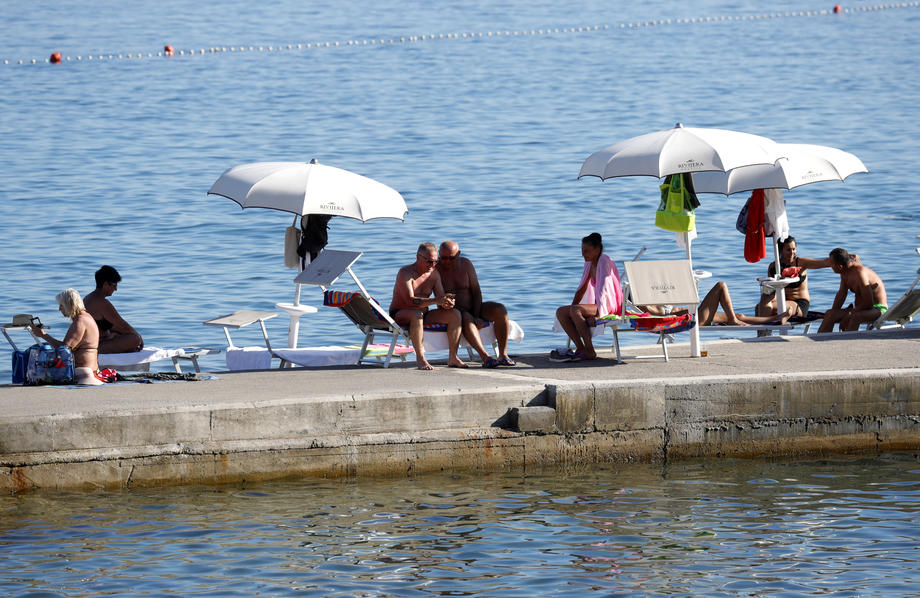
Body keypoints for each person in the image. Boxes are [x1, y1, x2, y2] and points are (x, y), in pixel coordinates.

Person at [436, 240, 515, 368]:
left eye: (452, 258)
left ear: (459, 254)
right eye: (443, 258)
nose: (447, 261)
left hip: (474, 307)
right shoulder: (435, 269)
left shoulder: (466, 264)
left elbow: (476, 291)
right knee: (465, 317)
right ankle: (485, 357)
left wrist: (477, 315)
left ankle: (503, 355)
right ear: (439, 254)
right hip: (453, 312)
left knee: (500, 310)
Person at [390, 242, 466, 370]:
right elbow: (410, 301)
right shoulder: (405, 273)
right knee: (416, 314)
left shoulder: (434, 274)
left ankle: (453, 357)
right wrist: (437, 300)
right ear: (419, 257)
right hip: (401, 313)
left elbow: (440, 299)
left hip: (423, 314)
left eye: (436, 261)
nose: (433, 265)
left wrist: (447, 303)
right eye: (430, 261)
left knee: (455, 315)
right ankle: (420, 358)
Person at [553, 233, 622, 361]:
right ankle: (580, 348)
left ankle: (590, 350)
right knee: (561, 312)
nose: (583, 254)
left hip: (608, 305)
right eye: (582, 251)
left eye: (586, 251)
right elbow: (582, 288)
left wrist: (598, 315)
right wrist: (571, 308)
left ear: (597, 250)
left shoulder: (604, 260)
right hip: (598, 304)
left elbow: (604, 289)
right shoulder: (589, 263)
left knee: (575, 310)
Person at [29, 288, 103, 385]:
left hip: (83, 374)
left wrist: (43, 335)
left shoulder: (80, 321)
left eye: (61, 305)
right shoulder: (86, 317)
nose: (59, 309)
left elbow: (64, 350)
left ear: (69, 305)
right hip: (89, 371)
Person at [755, 236, 837, 321]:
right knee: (759, 306)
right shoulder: (773, 266)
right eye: (788, 250)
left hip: (799, 304)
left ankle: (764, 329)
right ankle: (764, 333)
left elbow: (825, 263)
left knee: (768, 307)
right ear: (780, 250)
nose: (792, 252)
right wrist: (767, 299)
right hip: (782, 301)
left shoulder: (801, 263)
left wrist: (840, 258)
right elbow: (770, 289)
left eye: (794, 249)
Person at [644, 281, 790, 326]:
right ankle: (733, 320)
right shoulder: (649, 308)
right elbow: (650, 312)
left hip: (696, 315)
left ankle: (775, 319)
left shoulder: (654, 302)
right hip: (695, 319)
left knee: (739, 316)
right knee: (721, 286)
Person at [819, 248, 888, 332]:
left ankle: (848, 343)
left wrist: (849, 315)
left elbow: (869, 303)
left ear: (839, 266)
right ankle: (822, 341)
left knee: (855, 317)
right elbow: (841, 295)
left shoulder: (859, 273)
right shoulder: (844, 271)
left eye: (831, 263)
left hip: (877, 309)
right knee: (830, 314)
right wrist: (834, 312)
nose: (830, 266)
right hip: (860, 308)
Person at [84, 265, 144, 354]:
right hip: (95, 347)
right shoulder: (102, 302)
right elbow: (122, 325)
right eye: (114, 285)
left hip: (91, 343)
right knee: (134, 339)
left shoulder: (88, 298)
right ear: (105, 284)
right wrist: (139, 337)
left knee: (118, 334)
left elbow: (113, 325)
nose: (116, 289)